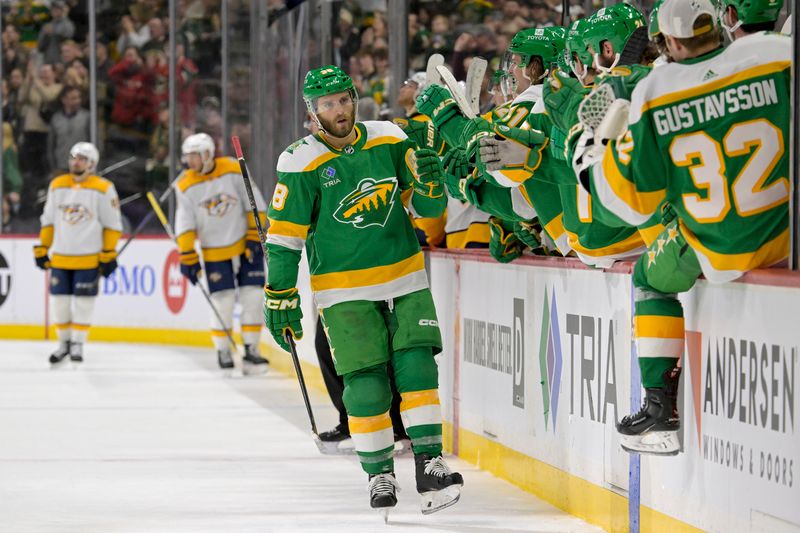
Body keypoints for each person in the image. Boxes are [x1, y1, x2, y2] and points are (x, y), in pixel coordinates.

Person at [575, 0, 790, 455]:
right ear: (719, 22)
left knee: (647, 279)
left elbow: (628, 205)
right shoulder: (777, 54)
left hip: (716, 246)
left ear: (669, 42)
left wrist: (592, 159)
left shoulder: (658, 88)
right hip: (787, 229)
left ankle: (659, 410)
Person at [264, 65, 462, 515]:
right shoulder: (300, 160)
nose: (339, 110)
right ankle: (379, 475)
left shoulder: (390, 137)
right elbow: (284, 238)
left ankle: (430, 462)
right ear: (312, 112)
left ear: (355, 98)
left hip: (406, 276)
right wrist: (280, 295)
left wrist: (433, 182)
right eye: (328, 104)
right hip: (343, 291)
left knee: (417, 369)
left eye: (344, 99)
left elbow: (429, 206)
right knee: (366, 385)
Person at [173, 132, 269, 371]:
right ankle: (223, 349)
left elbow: (254, 203)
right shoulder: (184, 184)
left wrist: (251, 236)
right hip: (214, 251)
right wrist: (187, 255)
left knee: (253, 297)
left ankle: (251, 348)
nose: (189, 162)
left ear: (207, 154)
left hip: (246, 243)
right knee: (223, 301)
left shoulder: (232, 169)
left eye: (194, 156)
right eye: (187, 157)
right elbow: (185, 224)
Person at [34, 142, 122, 364]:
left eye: (82, 158)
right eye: (73, 157)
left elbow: (112, 225)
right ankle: (63, 343)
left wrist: (108, 253)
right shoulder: (57, 185)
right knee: (59, 303)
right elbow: (48, 221)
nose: (76, 161)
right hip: (61, 257)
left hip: (89, 258)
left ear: (92, 163)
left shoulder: (103, 188)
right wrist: (43, 248)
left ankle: (78, 344)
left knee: (84, 303)